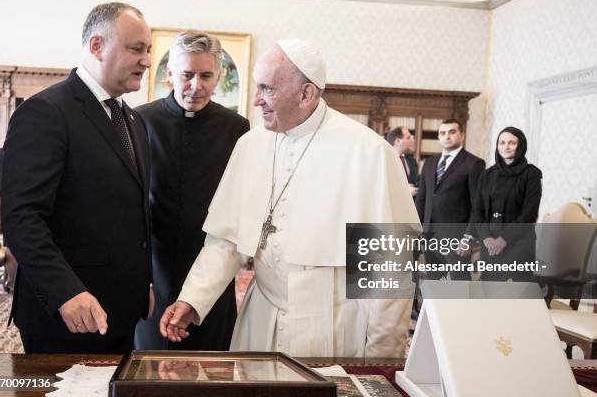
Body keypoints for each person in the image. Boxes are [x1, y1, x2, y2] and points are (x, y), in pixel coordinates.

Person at [159, 39, 419, 357]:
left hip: (333, 324)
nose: (256, 101)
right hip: (261, 316)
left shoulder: (369, 152)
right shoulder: (250, 145)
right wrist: (193, 299)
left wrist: (382, 357)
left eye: (267, 89)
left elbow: (389, 267)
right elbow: (225, 240)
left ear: (306, 93)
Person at [0, 2, 152, 354]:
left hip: (123, 312)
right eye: (136, 49)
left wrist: (141, 281)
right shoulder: (45, 112)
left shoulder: (134, 121)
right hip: (66, 315)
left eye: (148, 51)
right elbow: (23, 217)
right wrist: (65, 290)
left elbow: (130, 213)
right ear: (97, 46)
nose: (146, 60)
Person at [134, 30, 249, 350]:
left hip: (211, 258)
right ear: (169, 73)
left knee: (210, 364)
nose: (196, 85)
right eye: (186, 74)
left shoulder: (237, 128)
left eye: (206, 75)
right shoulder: (140, 120)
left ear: (219, 76)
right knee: (149, 362)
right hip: (155, 265)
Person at [466, 127, 542, 281]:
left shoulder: (531, 174)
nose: (506, 147)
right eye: (502, 143)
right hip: (489, 245)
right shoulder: (487, 174)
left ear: (521, 146)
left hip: (518, 243)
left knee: (513, 297)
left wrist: (503, 239)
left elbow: (529, 214)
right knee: (488, 294)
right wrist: (486, 238)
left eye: (512, 143)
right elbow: (477, 211)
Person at [415, 119, 485, 280]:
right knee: (433, 283)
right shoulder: (430, 162)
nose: (447, 136)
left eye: (452, 132)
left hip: (457, 238)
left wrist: (468, 238)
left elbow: (478, 206)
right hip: (429, 234)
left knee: (459, 283)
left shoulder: (474, 164)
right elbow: (422, 199)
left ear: (462, 135)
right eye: (443, 133)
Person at [386, 126, 419, 197]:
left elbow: (416, 182)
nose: (412, 140)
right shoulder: (385, 160)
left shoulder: (412, 161)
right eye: (408, 138)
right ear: (398, 141)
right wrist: (404, 190)